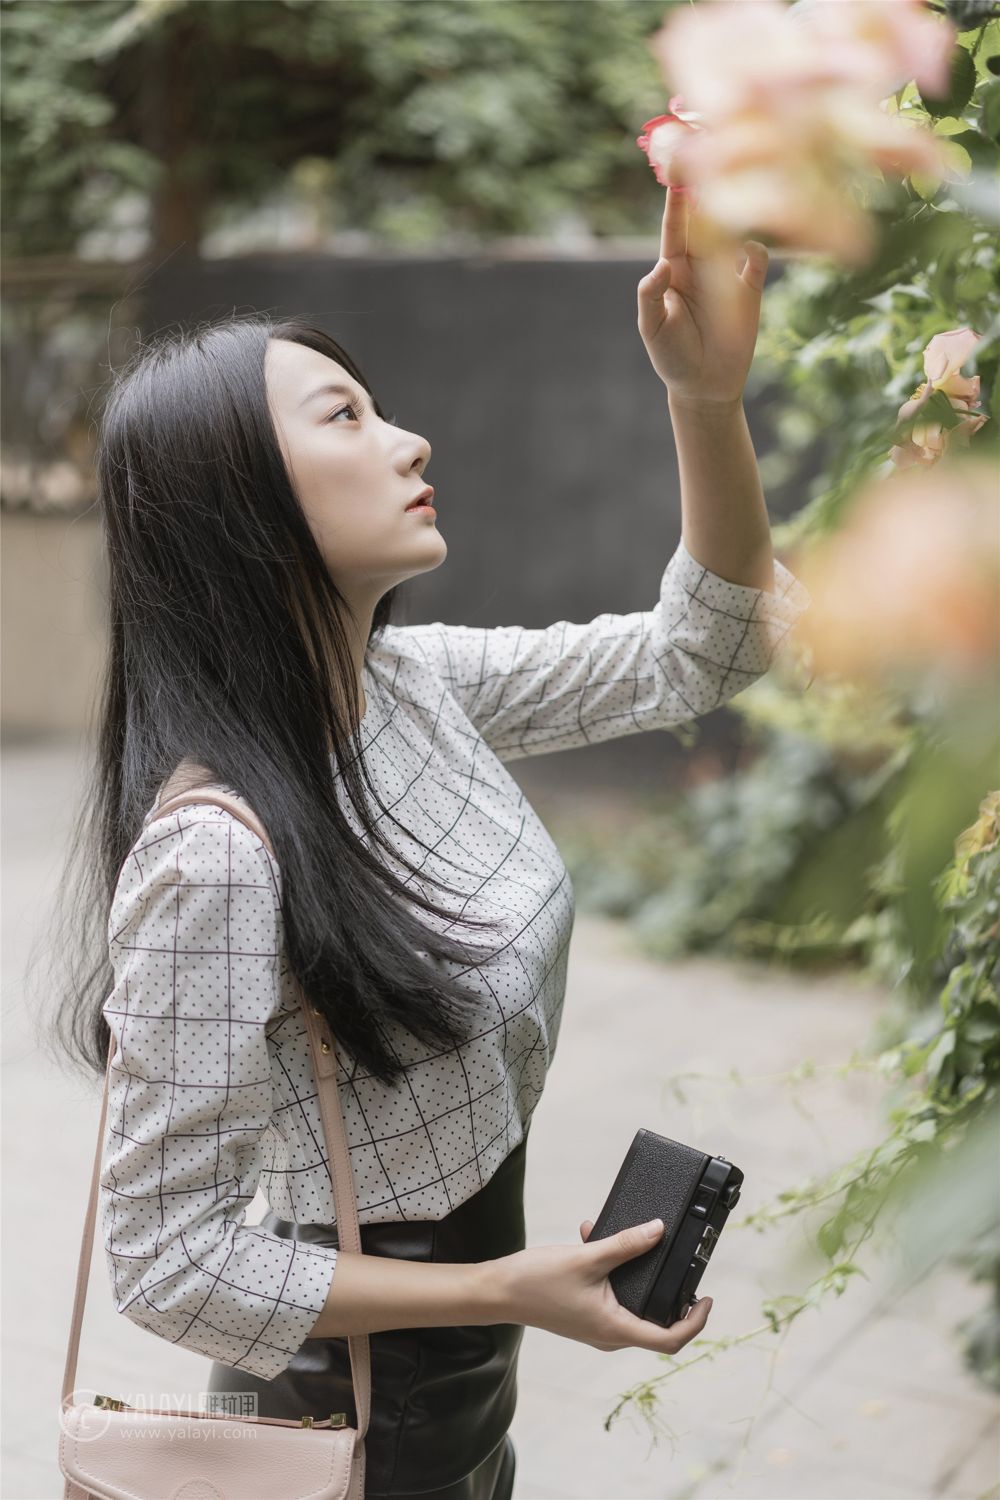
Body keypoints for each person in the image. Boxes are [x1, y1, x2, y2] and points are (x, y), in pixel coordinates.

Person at [54, 230, 810, 1499]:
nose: (408, 442)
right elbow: (167, 1261)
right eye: (344, 416)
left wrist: (703, 396)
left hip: (457, 1361)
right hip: (349, 1401)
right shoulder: (214, 855)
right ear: (234, 498)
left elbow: (706, 653)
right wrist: (493, 1289)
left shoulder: (403, 690)